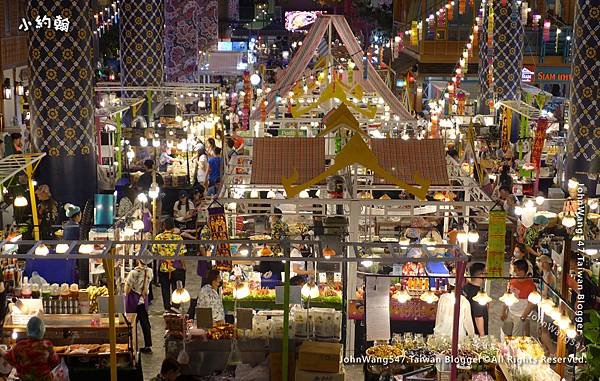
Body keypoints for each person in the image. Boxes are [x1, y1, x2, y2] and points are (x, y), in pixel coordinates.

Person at [2, 316, 60, 381]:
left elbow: (9, 358)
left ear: (28, 329)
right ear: (42, 330)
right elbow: (56, 361)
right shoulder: (47, 345)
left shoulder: (20, 345)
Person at [153, 217, 186, 312]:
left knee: (165, 288)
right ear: (173, 227)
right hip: (176, 267)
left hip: (163, 268)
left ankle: (167, 307)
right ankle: (175, 307)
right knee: (177, 288)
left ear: (164, 226)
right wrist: (184, 267)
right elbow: (181, 254)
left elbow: (155, 252)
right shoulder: (178, 238)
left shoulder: (158, 238)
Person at [125, 257, 153, 353]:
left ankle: (129, 345)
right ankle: (148, 345)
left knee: (130, 324)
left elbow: (127, 290)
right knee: (145, 324)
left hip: (133, 300)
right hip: (143, 300)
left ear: (138, 260)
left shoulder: (133, 273)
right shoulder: (150, 271)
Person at [502, 259, 536, 336]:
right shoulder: (512, 280)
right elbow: (507, 296)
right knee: (506, 333)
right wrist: (504, 311)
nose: (514, 272)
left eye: (516, 270)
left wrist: (523, 317)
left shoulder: (530, 285)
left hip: (520, 315)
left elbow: (531, 304)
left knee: (516, 338)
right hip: (510, 312)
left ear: (522, 271)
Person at [462, 262, 488, 337]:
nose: (486, 275)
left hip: (466, 329)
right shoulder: (478, 295)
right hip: (475, 333)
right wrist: (482, 335)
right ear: (480, 275)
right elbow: (478, 316)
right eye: (485, 273)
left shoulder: (465, 288)